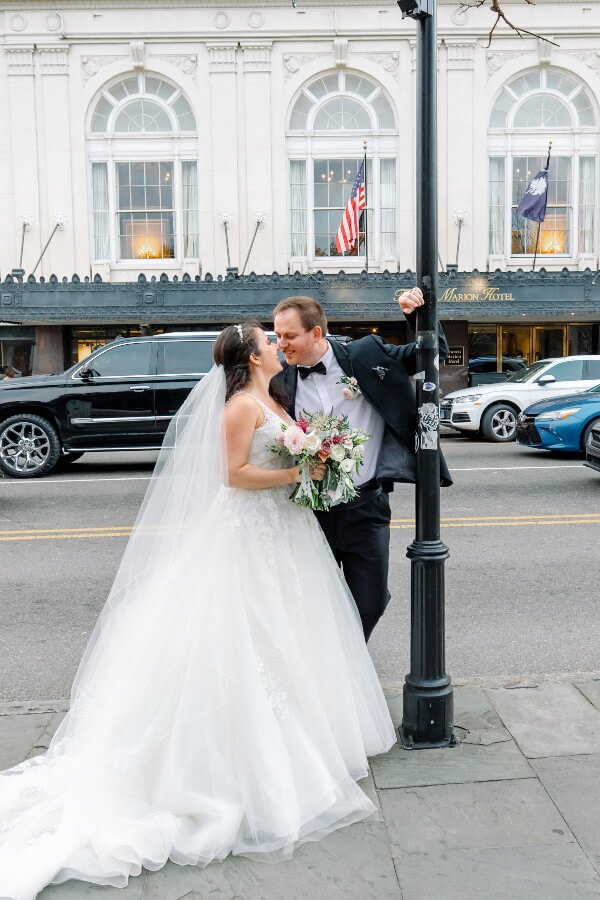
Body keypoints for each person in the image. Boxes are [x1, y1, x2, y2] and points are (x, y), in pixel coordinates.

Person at [0, 321, 396, 900]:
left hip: (284, 534)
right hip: (248, 538)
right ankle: (239, 761)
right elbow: (232, 475)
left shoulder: (270, 396)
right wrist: (299, 470)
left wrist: (315, 461)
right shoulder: (240, 405)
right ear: (252, 357)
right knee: (247, 635)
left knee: (292, 633)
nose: (276, 346)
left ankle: (307, 739)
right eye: (269, 341)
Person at [273, 291, 452, 642]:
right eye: (277, 336)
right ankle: (332, 676)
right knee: (312, 602)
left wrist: (417, 314)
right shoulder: (279, 379)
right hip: (311, 513)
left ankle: (348, 663)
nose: (281, 344)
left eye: (289, 336)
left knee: (370, 602)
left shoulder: (365, 353)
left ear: (316, 334)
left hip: (366, 507)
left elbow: (431, 354)